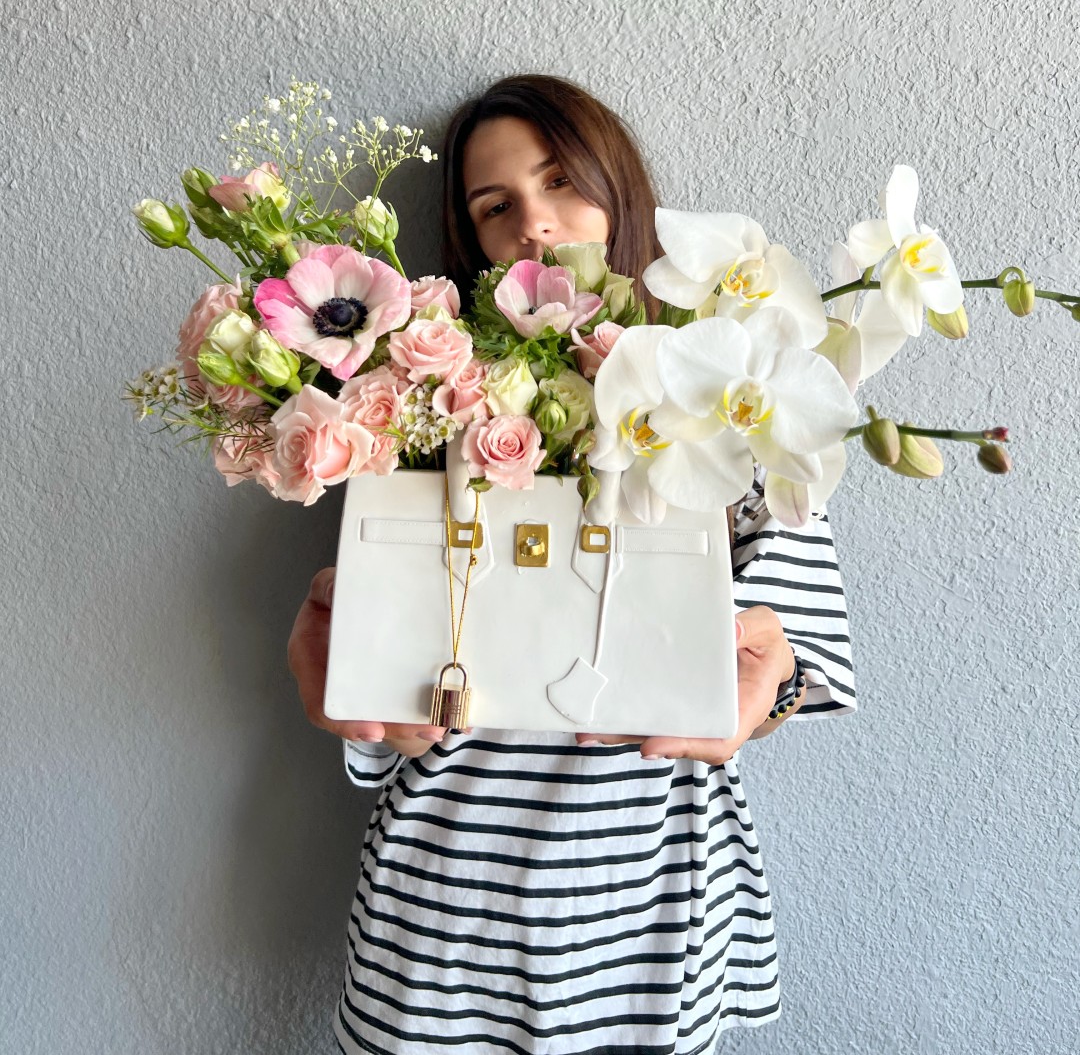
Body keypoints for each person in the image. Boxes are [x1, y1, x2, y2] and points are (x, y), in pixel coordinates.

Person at [287, 73, 857, 1054]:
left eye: (561, 183)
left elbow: (799, 668)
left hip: (650, 910)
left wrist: (774, 684)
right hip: (445, 916)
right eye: (494, 205)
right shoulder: (416, 407)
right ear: (468, 245)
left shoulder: (734, 403)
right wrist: (349, 683)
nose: (535, 225)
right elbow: (386, 728)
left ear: (620, 194)